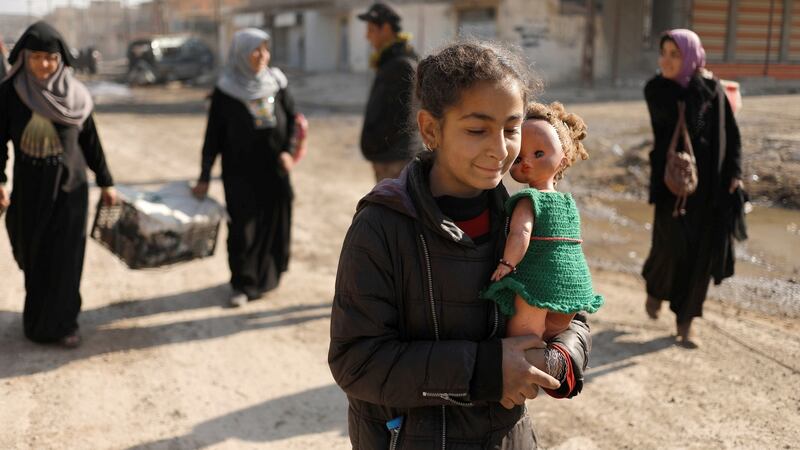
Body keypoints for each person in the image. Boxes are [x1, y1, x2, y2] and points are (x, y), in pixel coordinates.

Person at [329, 41, 591, 449]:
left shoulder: (528, 218)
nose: (500, 148)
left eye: (511, 128)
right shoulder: (381, 226)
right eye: (477, 129)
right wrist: (487, 371)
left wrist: (554, 361)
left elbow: (571, 313)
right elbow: (356, 361)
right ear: (431, 129)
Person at [0, 21, 117, 348]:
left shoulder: (76, 96)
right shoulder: (11, 93)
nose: (43, 65)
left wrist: (106, 181)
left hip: (71, 192)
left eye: (50, 58)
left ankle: (65, 324)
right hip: (31, 194)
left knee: (66, 260)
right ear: (24, 57)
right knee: (34, 256)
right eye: (36, 57)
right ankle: (37, 322)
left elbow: (91, 142)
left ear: (61, 59)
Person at [642, 29, 742, 348]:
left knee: (700, 255)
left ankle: (686, 322)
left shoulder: (712, 90)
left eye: (675, 54)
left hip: (709, 189)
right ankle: (656, 289)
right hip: (672, 184)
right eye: (664, 53)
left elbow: (732, 134)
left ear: (691, 57)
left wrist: (735, 173)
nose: (667, 61)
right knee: (668, 248)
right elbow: (682, 125)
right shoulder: (657, 90)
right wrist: (698, 89)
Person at [192, 28, 301, 307]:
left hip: (275, 169)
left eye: (265, 49)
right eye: (256, 49)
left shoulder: (277, 83)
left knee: (274, 222)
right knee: (243, 228)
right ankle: (241, 283)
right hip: (240, 172)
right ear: (241, 54)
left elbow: (293, 121)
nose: (262, 55)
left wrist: (289, 152)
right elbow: (212, 137)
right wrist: (204, 175)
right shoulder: (225, 91)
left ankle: (268, 277)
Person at [482, 102, 603, 342]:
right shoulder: (568, 202)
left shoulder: (529, 200)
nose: (526, 162)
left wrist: (507, 263)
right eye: (518, 159)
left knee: (524, 339)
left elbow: (521, 233)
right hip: (573, 281)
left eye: (539, 154)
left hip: (538, 280)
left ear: (564, 159)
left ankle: (527, 373)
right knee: (554, 335)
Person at [357, 2, 419, 182]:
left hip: (395, 161)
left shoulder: (401, 65)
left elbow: (403, 120)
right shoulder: (390, 62)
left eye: (371, 29)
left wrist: (378, 147)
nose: (367, 36)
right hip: (389, 157)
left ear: (385, 28)